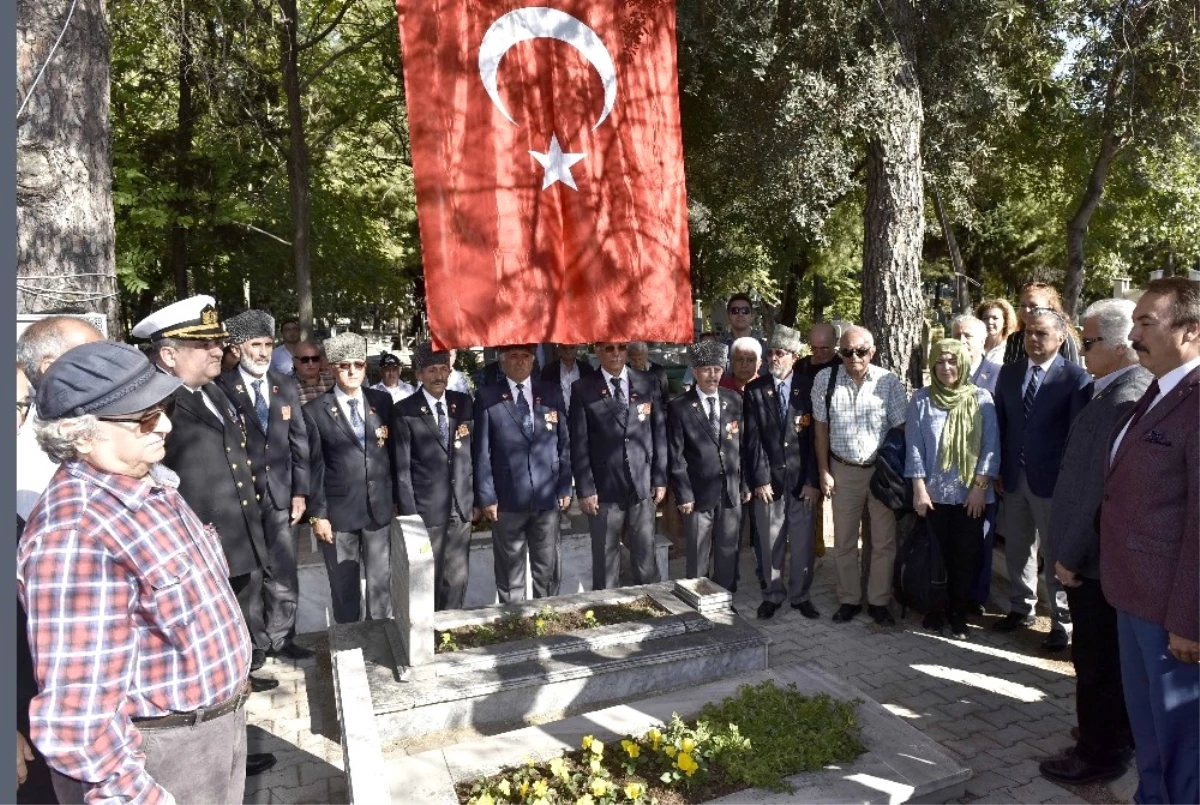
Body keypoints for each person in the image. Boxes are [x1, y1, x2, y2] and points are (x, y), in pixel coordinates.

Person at [18, 341, 252, 804]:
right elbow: (78, 721)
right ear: (82, 435)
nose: (164, 423)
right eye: (143, 418)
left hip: (214, 731)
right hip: (162, 757)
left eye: (162, 408)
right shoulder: (74, 532)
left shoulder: (146, 481)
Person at [134, 297, 278, 713]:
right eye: (204, 345)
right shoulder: (157, 404)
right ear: (168, 354)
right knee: (208, 638)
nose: (218, 350)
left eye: (217, 342)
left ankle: (239, 687)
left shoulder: (213, 390)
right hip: (197, 545)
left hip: (236, 534)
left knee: (238, 620)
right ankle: (223, 714)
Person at [1038, 298, 1149, 786]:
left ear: (1121, 343)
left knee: (1097, 661)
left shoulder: (1128, 396)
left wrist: (1072, 555)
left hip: (1096, 563)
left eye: (1087, 341)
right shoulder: (1114, 390)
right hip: (1096, 559)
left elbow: (1100, 492)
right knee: (1102, 662)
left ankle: (1098, 754)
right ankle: (1106, 736)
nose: (1080, 350)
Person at [1099, 278, 1200, 805]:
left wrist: (1189, 618)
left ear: (1190, 332)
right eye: (1134, 321)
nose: (1133, 334)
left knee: (1184, 742)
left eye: (1146, 322)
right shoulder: (1159, 389)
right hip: (1133, 593)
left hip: (1171, 610)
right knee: (1150, 731)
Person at [216, 310, 314, 662]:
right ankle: (254, 646)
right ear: (238, 347)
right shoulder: (222, 387)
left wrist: (300, 492)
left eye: (268, 344)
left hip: (281, 496)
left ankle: (282, 638)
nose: (262, 352)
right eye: (255, 344)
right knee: (250, 575)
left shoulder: (285, 384)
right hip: (241, 499)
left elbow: (299, 442)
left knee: (284, 570)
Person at [992, 307, 1092, 649]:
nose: (1033, 339)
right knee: (1019, 549)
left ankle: (1062, 624)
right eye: (1029, 333)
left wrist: (1069, 483)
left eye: (1042, 333)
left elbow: (1076, 437)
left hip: (1052, 483)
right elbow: (1003, 426)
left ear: (1060, 338)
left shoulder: (1075, 378)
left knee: (1054, 553)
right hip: (1014, 478)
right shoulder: (1009, 373)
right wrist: (1000, 471)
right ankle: (1021, 607)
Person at [813, 325, 908, 626]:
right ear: (840, 352)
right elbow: (820, 429)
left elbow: (902, 426)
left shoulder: (888, 381)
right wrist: (824, 471)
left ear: (873, 351)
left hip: (879, 473)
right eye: (847, 351)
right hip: (843, 471)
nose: (854, 357)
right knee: (843, 541)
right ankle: (849, 600)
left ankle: (879, 601)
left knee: (882, 541)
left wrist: (893, 465)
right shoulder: (825, 379)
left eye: (861, 351)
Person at [905, 339, 999, 640]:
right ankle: (935, 610)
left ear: (963, 364)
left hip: (970, 494)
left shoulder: (982, 398)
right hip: (934, 496)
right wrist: (919, 488)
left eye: (953, 361)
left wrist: (979, 488)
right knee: (936, 556)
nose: (947, 368)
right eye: (941, 362)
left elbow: (990, 447)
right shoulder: (921, 399)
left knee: (965, 556)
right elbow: (915, 448)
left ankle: (958, 614)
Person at [303, 333, 396, 624]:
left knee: (381, 585)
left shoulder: (382, 401)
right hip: (339, 514)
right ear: (332, 368)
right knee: (344, 588)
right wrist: (318, 515)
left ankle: (381, 642)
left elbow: (392, 452)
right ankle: (349, 647)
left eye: (358, 364)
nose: (353, 371)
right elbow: (313, 466)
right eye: (345, 366)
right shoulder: (315, 410)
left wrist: (396, 500)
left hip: (378, 510)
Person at [475, 344, 573, 601]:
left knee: (547, 568)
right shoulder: (488, 397)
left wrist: (565, 486)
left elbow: (564, 444)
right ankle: (514, 622)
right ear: (502, 362)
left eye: (525, 356)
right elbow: (482, 452)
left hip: (547, 497)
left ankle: (547, 616)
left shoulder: (550, 392)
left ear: (533, 361)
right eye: (513, 357)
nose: (520, 362)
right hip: (507, 500)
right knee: (510, 572)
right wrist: (487, 496)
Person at [570, 340, 668, 589]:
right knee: (606, 559)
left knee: (646, 556)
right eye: (609, 348)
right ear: (597, 352)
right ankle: (607, 613)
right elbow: (579, 442)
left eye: (621, 348)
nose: (616, 354)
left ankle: (654, 608)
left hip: (641, 484)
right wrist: (585, 488)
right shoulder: (583, 388)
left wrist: (659, 478)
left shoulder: (647, 381)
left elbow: (658, 432)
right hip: (604, 489)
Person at [743, 326, 822, 619]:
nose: (775, 358)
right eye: (772, 353)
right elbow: (752, 440)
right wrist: (760, 479)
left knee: (801, 543)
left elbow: (817, 440)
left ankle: (800, 595)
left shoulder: (809, 387)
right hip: (770, 482)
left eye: (781, 353)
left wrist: (813, 481)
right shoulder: (755, 389)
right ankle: (773, 594)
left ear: (794, 356)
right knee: (770, 540)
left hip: (803, 482)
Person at [393, 344, 476, 610]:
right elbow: (402, 469)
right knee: (427, 577)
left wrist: (474, 499)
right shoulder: (405, 410)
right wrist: (410, 515)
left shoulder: (462, 404)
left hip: (460, 506)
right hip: (426, 510)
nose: (439, 376)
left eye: (443, 369)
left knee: (457, 577)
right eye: (431, 370)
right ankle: (427, 633)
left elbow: (471, 455)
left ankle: (449, 630)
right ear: (419, 374)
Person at [667, 341, 746, 593]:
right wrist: (684, 493)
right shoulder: (680, 407)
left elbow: (741, 446)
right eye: (706, 369)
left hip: (730, 490)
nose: (713, 374)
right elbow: (676, 455)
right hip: (698, 494)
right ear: (695, 371)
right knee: (699, 550)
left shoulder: (733, 400)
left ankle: (724, 598)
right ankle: (697, 599)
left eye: (717, 368)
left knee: (728, 549)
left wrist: (743, 484)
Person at [15, 315, 104, 520]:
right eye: (95, 356)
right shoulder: (26, 447)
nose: (108, 366)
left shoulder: (110, 420)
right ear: (51, 368)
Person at [1002, 282, 1082, 366]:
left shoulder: (1063, 339)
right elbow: (1008, 374)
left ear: (1049, 307)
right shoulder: (1015, 339)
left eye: (1033, 305)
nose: (1026, 310)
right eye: (1023, 305)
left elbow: (1075, 374)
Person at [951, 314, 1000, 395]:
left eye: (968, 336)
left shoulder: (999, 374)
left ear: (982, 341)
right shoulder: (944, 372)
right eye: (957, 336)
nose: (961, 341)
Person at [540, 343, 596, 411]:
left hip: (583, 416)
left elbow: (592, 397)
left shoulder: (587, 370)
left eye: (572, 348)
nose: (568, 351)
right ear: (559, 348)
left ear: (577, 347)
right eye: (564, 348)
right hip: (557, 416)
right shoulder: (548, 371)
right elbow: (545, 399)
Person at [977, 299, 1017, 366]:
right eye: (985, 318)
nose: (989, 322)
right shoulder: (975, 347)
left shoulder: (1011, 350)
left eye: (995, 318)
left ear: (1005, 322)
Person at [294, 340, 333, 404]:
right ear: (295, 361)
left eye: (315, 359)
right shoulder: (287, 386)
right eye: (305, 360)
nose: (311, 364)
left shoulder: (332, 381)